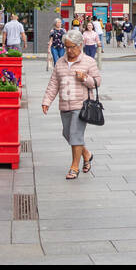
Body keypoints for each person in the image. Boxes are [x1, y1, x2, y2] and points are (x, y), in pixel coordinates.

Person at [41, 31, 102, 179]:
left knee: (75, 135)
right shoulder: (60, 62)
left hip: (81, 106)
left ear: (80, 45)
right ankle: (86, 154)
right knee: (67, 134)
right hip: (64, 105)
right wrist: (47, 101)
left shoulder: (88, 61)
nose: (69, 50)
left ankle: (74, 167)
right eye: (66, 47)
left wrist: (85, 78)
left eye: (72, 47)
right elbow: (54, 83)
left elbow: (97, 82)